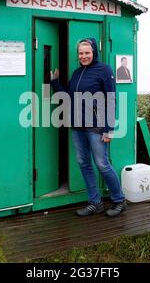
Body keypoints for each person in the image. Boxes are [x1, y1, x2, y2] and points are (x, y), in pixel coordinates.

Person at [50, 38, 127, 217]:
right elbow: (68, 97)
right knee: (84, 163)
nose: (84, 56)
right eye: (81, 53)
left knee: (102, 164)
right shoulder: (77, 73)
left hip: (97, 127)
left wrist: (109, 128)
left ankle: (119, 200)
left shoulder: (104, 70)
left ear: (94, 52)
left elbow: (111, 99)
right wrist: (55, 82)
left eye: (87, 53)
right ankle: (95, 202)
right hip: (77, 126)